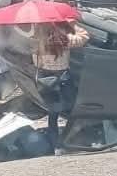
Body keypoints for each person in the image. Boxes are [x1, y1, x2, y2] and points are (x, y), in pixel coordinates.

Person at [33, 21, 89, 156]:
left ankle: (56, 146)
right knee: (73, 110)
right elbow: (85, 36)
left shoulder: (38, 44)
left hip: (47, 81)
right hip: (63, 79)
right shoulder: (66, 40)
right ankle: (73, 140)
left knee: (53, 115)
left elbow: (36, 63)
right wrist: (71, 24)